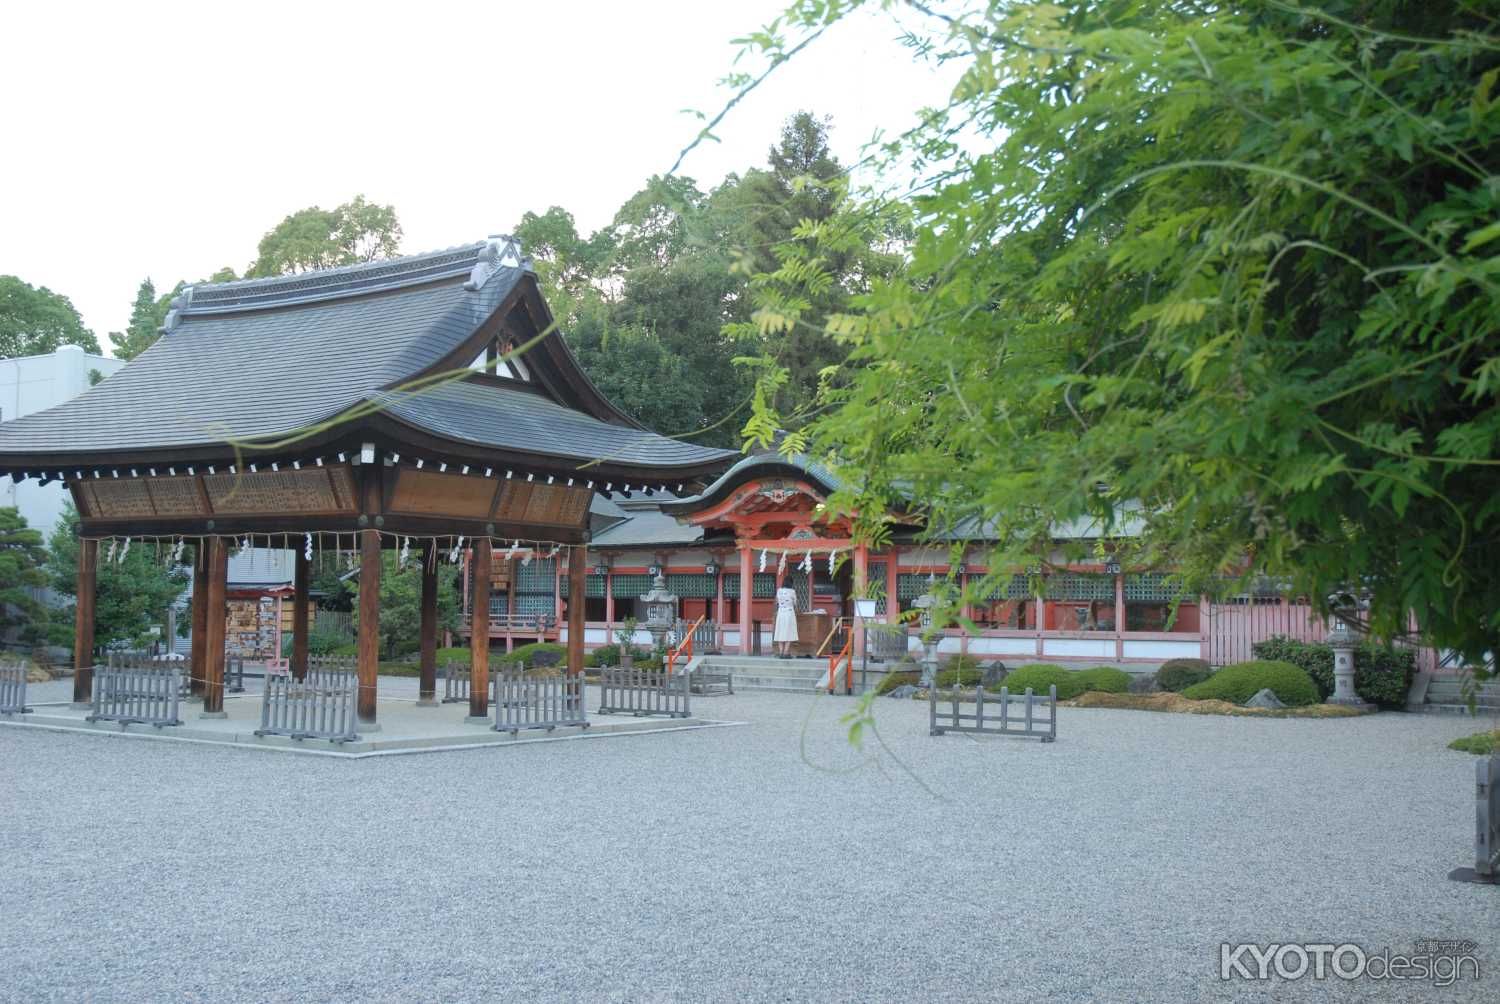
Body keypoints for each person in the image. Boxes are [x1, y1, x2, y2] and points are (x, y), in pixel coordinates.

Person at [773, 583, 799, 658]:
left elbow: (776, 602)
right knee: (789, 632)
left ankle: (781, 652)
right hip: (789, 612)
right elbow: (795, 603)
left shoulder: (779, 591)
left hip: (780, 612)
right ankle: (786, 652)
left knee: (780, 631)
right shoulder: (792, 591)